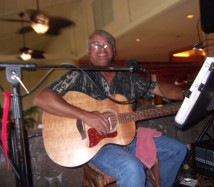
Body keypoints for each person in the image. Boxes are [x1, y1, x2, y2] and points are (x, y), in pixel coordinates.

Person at [33, 30, 187, 187]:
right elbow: (42, 98)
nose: (102, 48)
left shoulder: (127, 77)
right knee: (132, 168)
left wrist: (187, 94)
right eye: (96, 44)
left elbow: (159, 89)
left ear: (114, 50)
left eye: (107, 44)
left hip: (129, 138)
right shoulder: (79, 75)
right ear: (88, 51)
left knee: (178, 150)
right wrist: (86, 116)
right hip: (95, 145)